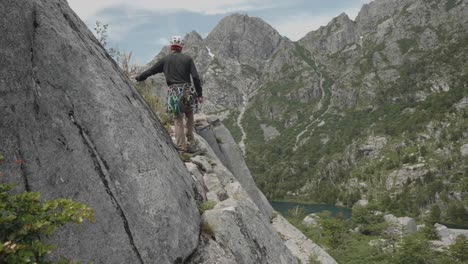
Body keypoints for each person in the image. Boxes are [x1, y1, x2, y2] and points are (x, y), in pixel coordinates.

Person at [135, 35, 203, 152]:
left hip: (174, 92)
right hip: (188, 91)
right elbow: (196, 78)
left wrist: (139, 78)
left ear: (171, 46)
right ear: (181, 47)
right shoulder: (188, 59)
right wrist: (199, 93)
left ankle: (181, 146)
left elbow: (151, 71)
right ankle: (190, 139)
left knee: (178, 118)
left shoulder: (165, 60)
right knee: (189, 113)